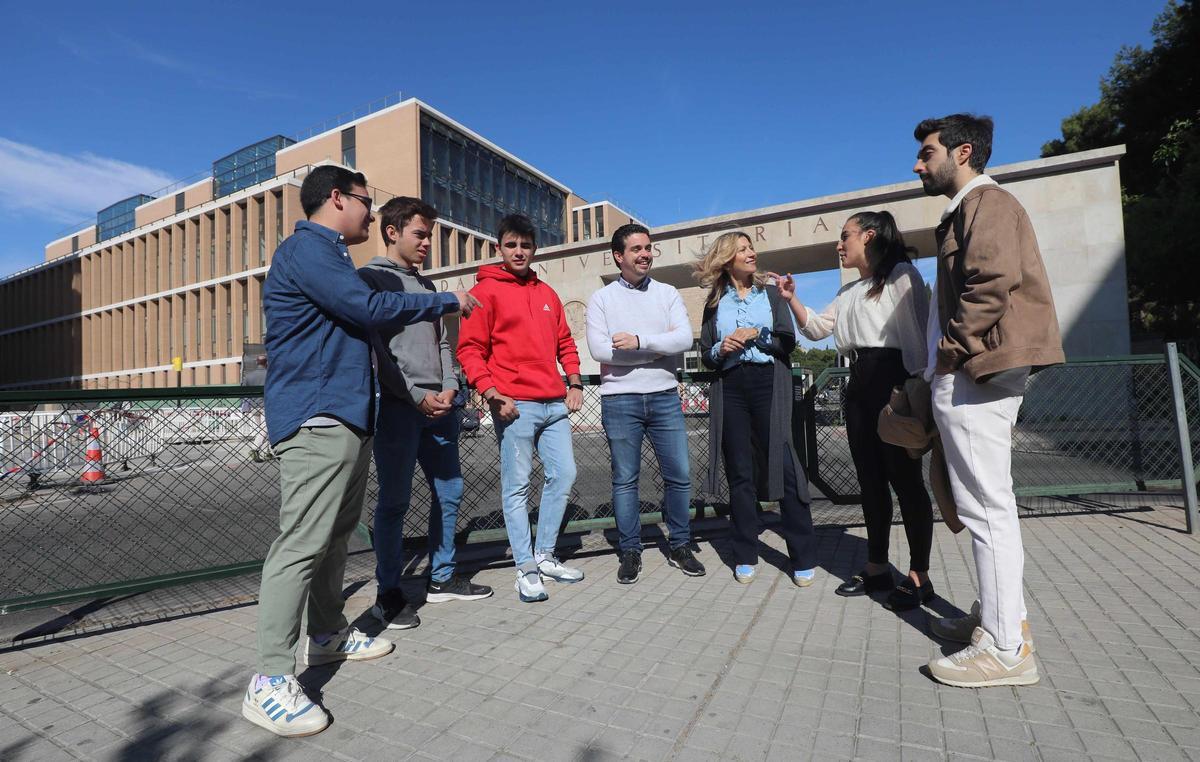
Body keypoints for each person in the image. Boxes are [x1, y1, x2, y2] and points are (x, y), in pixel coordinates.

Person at [242, 165, 478, 737]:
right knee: (301, 542)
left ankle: (325, 638)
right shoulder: (309, 249)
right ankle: (270, 680)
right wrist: (445, 299)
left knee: (329, 539)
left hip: (344, 416)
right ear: (336, 198)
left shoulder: (329, 255)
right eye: (366, 203)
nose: (372, 215)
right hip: (317, 414)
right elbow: (366, 310)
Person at [913, 114, 1063, 688]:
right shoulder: (970, 209)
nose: (918, 164)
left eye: (928, 153)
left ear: (963, 152)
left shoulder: (988, 204)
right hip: (972, 370)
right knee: (983, 506)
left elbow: (990, 283)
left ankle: (1005, 651)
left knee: (986, 509)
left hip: (976, 371)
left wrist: (950, 352)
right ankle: (1003, 621)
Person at [778, 211, 935, 610]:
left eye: (844, 236)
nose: (838, 244)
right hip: (859, 385)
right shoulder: (851, 291)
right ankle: (877, 566)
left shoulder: (902, 274)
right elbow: (816, 328)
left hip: (894, 382)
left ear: (868, 236)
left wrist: (914, 392)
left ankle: (919, 576)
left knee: (906, 480)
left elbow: (918, 337)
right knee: (870, 481)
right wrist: (792, 298)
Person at [357, 197, 493, 632]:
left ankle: (442, 577)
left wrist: (451, 385)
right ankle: (388, 594)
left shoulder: (429, 287)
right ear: (392, 231)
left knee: (449, 491)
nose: (427, 243)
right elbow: (378, 351)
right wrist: (416, 394)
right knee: (394, 503)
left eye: (430, 235)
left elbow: (440, 344)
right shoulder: (371, 279)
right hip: (398, 408)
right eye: (420, 233)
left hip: (442, 407)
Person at [456, 214, 585, 602]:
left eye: (525, 245)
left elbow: (565, 342)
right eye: (511, 245)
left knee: (564, 474)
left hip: (553, 400)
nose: (518, 251)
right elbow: (470, 350)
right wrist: (491, 391)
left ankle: (545, 554)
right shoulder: (486, 292)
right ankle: (525, 567)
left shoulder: (547, 294)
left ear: (534, 249)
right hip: (514, 404)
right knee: (517, 486)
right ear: (499, 248)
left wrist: (575, 381)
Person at [586, 223, 706, 584]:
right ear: (618, 256)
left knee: (680, 476)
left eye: (648, 248)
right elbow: (599, 351)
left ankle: (681, 545)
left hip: (665, 397)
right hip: (619, 399)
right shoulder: (602, 299)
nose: (645, 254)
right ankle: (630, 550)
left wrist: (637, 341)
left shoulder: (667, 293)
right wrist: (656, 351)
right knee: (625, 480)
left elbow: (684, 340)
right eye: (636, 249)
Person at [695, 231, 817, 586]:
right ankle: (745, 553)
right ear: (727, 258)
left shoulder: (771, 293)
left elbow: (787, 340)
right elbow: (706, 353)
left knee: (785, 464)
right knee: (740, 470)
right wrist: (723, 347)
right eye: (743, 249)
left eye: (751, 247)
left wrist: (757, 336)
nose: (751, 253)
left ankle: (803, 554)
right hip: (731, 386)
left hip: (769, 382)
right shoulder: (715, 302)